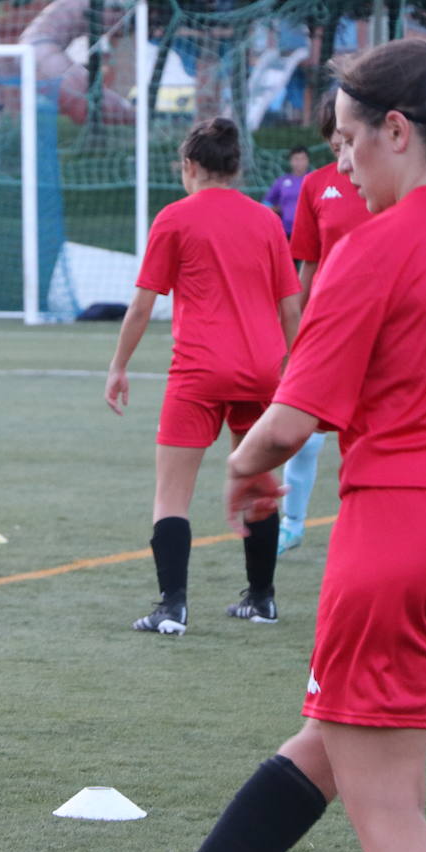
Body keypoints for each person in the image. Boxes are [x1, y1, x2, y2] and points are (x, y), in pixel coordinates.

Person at [194, 40, 426, 852]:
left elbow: (288, 422)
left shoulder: (376, 247)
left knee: (388, 811)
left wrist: (244, 469)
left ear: (396, 130)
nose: (344, 168)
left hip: (406, 542)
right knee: (336, 745)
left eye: (348, 143)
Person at [105, 116, 300, 636]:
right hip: (263, 370)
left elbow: (143, 306)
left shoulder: (175, 218)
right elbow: (290, 307)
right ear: (237, 167)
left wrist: (119, 366)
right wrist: (294, 368)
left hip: (199, 371)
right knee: (260, 484)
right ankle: (262, 600)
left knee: (171, 494)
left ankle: (173, 608)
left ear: (190, 167)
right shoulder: (264, 220)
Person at [275, 94, 373, 554]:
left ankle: (371, 525)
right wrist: (295, 333)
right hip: (329, 324)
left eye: (349, 143)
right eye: (337, 146)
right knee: (307, 431)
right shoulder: (317, 187)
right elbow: (308, 270)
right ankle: (292, 522)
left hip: (382, 326)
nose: (344, 158)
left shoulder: (396, 184)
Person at [262, 145, 310, 238]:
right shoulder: (282, 181)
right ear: (290, 161)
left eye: (303, 159)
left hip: (309, 230)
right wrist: (275, 209)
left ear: (307, 161)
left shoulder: (314, 179)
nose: (299, 162)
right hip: (286, 231)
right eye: (296, 159)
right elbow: (266, 203)